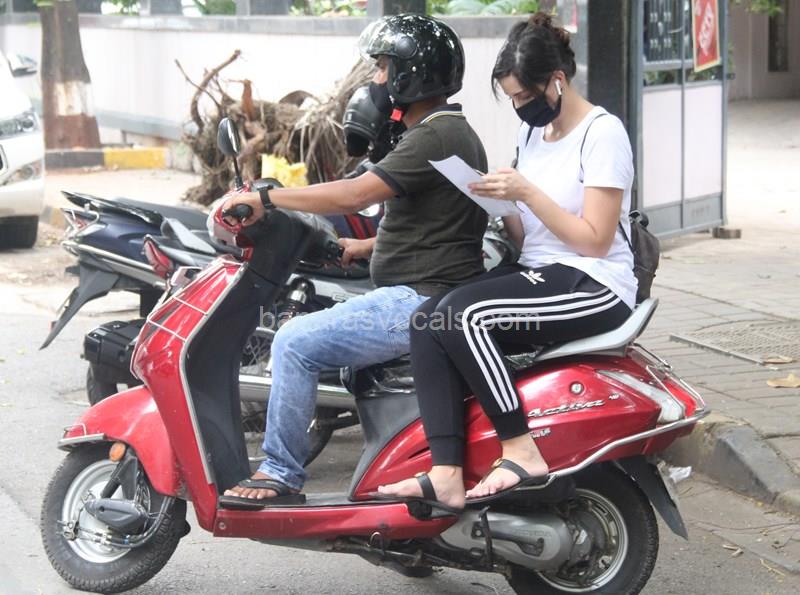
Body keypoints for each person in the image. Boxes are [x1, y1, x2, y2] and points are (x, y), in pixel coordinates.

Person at [220, 14, 489, 505]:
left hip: (419, 301)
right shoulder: (448, 131)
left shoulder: (435, 135)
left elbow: (355, 194)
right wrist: (364, 247)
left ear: (413, 73)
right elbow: (443, 223)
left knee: (294, 341)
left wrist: (268, 198)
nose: (378, 78)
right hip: (430, 291)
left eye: (384, 67)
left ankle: (279, 473)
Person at [377, 12, 638, 511]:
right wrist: (498, 200)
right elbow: (528, 234)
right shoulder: (533, 135)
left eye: (523, 96)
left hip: (594, 283)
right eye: (512, 98)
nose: (519, 107)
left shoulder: (603, 133)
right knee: (428, 319)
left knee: (464, 317)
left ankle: (521, 449)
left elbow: (595, 241)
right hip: (540, 269)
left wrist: (527, 193)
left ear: (556, 80)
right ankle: (446, 472)